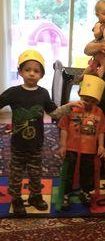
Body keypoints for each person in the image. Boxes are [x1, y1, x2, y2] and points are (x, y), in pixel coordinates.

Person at [0, 49, 78, 217]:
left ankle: (35, 196)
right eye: (27, 69)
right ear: (20, 71)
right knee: (16, 173)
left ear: (42, 74)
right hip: (18, 145)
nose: (31, 74)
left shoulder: (43, 93)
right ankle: (16, 199)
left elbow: (53, 112)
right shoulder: (13, 92)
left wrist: (68, 107)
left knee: (36, 172)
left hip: (36, 144)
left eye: (36, 71)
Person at [57, 74, 105, 209]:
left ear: (98, 100)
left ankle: (85, 191)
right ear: (79, 93)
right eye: (86, 99)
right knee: (69, 171)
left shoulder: (99, 112)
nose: (89, 103)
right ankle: (66, 193)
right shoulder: (71, 109)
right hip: (71, 147)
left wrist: (101, 146)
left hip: (89, 149)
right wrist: (63, 146)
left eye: (93, 100)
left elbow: (102, 130)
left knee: (87, 171)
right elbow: (64, 128)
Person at [82, 0, 105, 79]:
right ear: (97, 15)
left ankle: (82, 76)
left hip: (104, 50)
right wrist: (101, 31)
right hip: (100, 50)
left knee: (93, 65)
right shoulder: (98, 24)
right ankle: (99, 77)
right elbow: (96, 35)